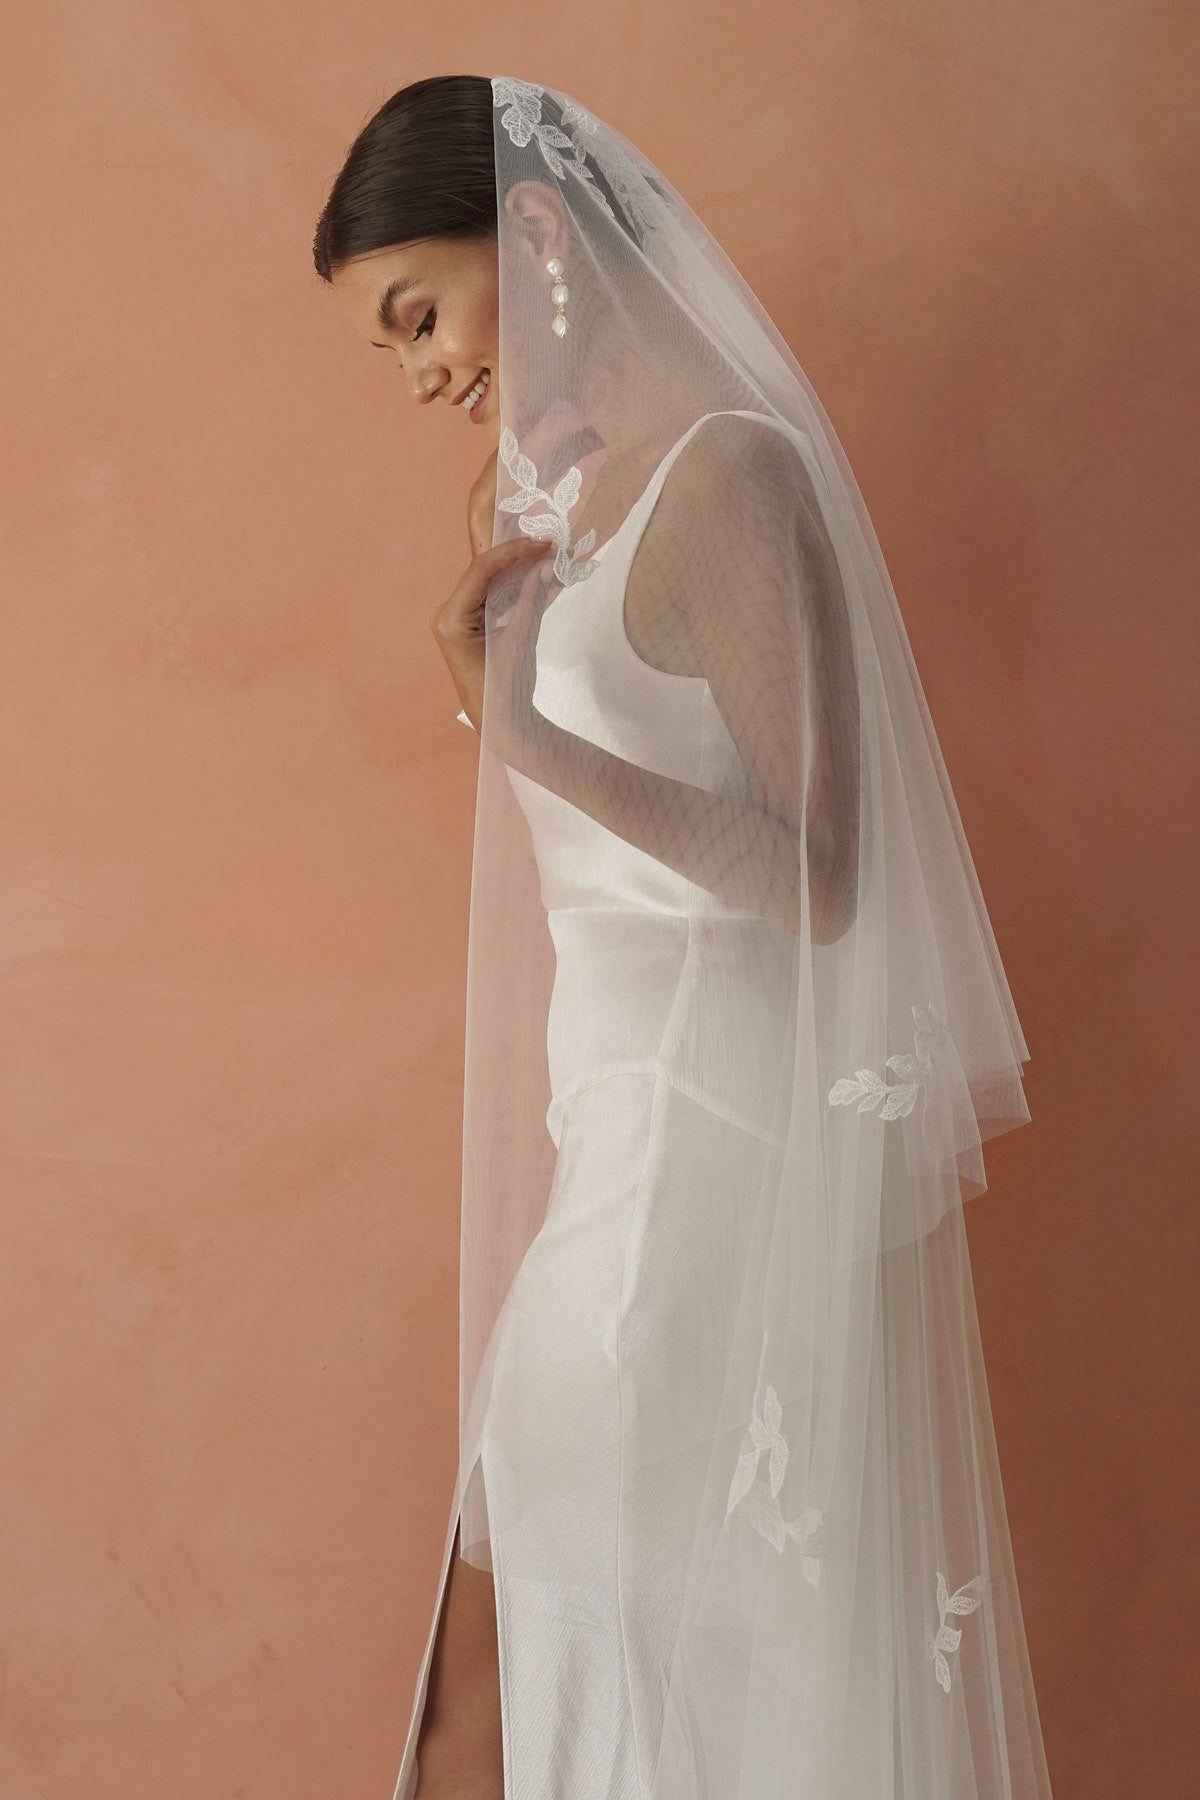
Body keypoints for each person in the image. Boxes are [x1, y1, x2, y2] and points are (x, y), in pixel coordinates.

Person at [313, 73, 1055, 1800]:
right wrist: (519, 674)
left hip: (687, 1206)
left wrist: (519, 727)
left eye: (419, 315)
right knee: (548, 1703)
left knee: (531, 1708)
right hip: (622, 1175)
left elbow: (818, 871)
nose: (419, 375)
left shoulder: (732, 477)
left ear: (537, 231)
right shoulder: (565, 509)